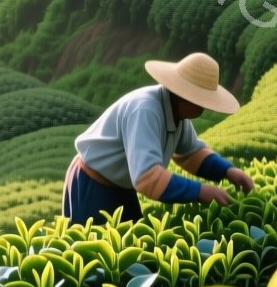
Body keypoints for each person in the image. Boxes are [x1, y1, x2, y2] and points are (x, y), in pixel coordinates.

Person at [62, 52, 256, 225]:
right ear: (183, 95)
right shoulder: (145, 110)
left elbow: (191, 153)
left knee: (134, 250)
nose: (203, 108)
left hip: (121, 187)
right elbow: (147, 178)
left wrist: (228, 171)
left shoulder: (177, 113)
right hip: (93, 185)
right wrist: (200, 191)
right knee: (95, 256)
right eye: (199, 100)